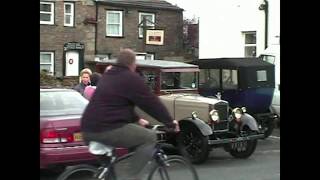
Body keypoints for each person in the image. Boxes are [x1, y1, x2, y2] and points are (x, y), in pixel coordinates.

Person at [81, 48, 179, 180]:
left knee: (111, 168)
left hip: (88, 128)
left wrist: (137, 119)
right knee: (149, 137)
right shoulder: (130, 78)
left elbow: (116, 102)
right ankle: (128, 176)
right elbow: (150, 102)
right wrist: (170, 122)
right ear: (133, 64)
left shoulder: (108, 76)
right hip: (107, 128)